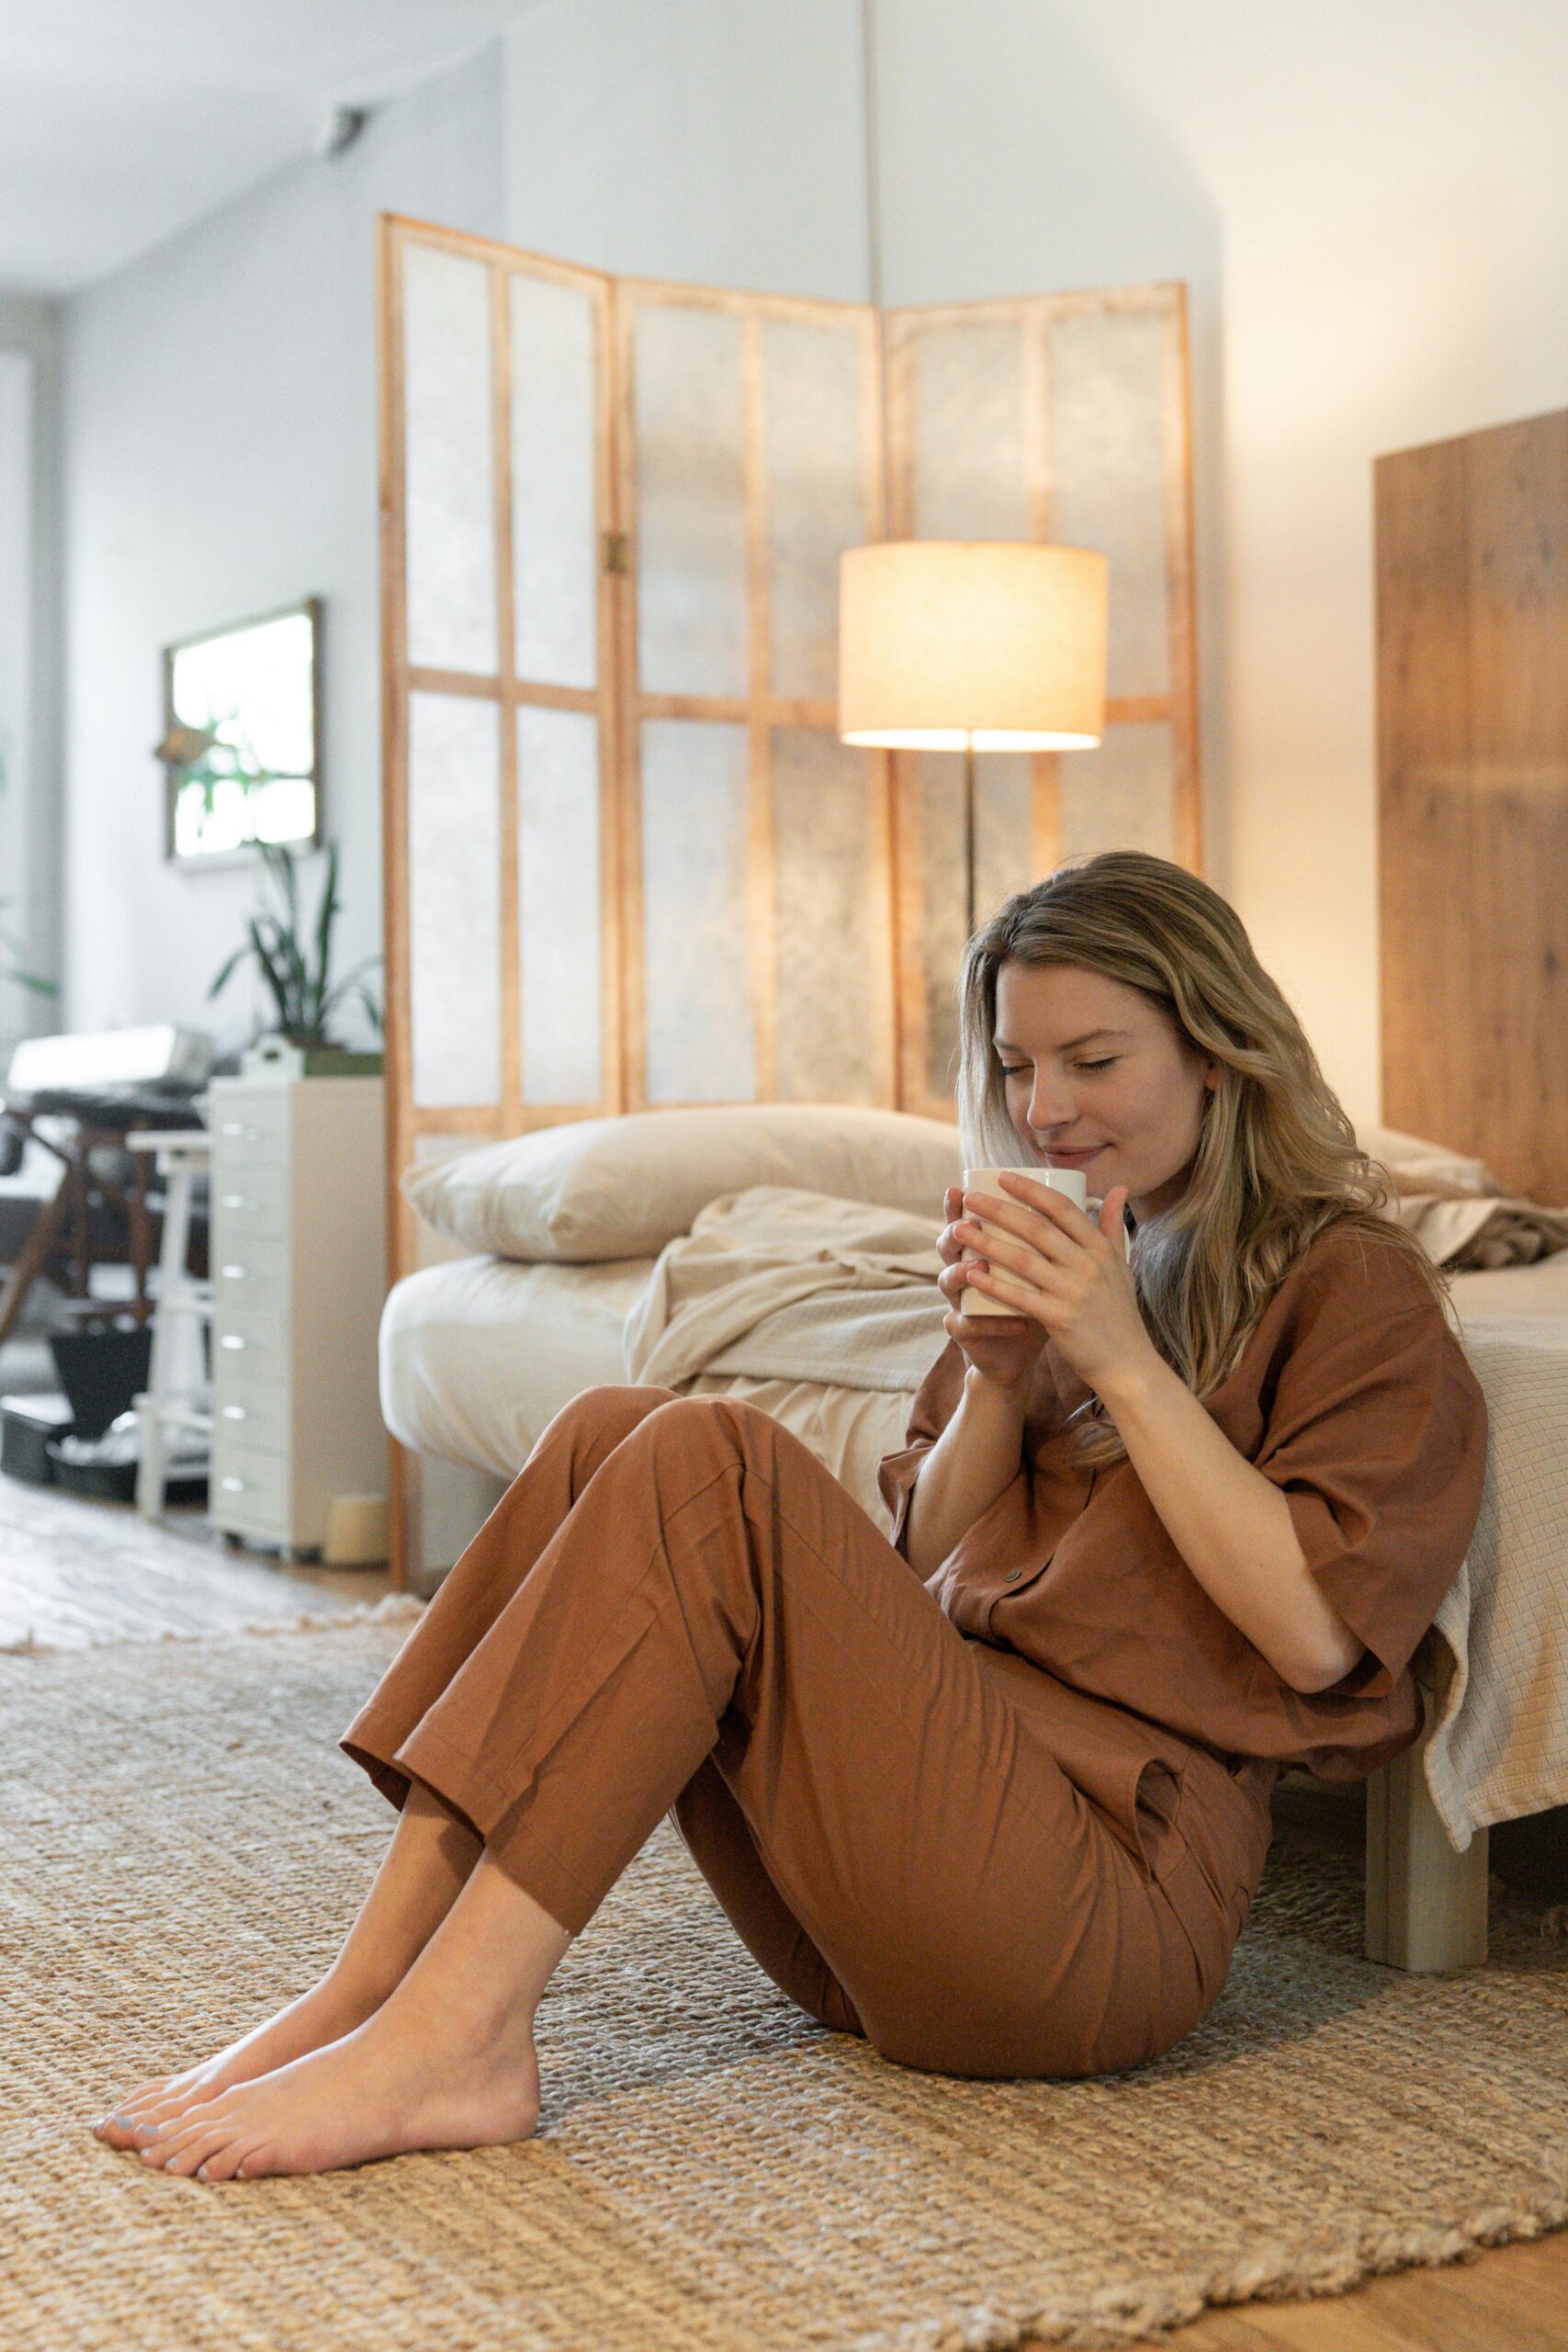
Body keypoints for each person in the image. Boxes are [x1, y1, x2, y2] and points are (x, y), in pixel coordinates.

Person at [94, 850, 1488, 2183]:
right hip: (886, 1889)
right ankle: (374, 1991)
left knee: (716, 1459)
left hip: (1096, 1920)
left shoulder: (1347, 1285)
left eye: (1095, 1059)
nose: (1046, 1105)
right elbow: (919, 1568)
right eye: (1015, 1064)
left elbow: (1316, 1641)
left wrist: (1119, 1355)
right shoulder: (1074, 1242)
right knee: (611, 1433)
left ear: (1218, 1047)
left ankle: (459, 2038)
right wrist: (1002, 1384)